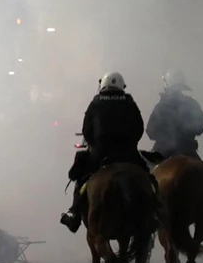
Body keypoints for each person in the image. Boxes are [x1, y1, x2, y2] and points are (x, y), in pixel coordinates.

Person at [60, 71, 148, 233]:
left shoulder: (96, 103)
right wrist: (130, 143)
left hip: (100, 154)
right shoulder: (129, 102)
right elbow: (139, 128)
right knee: (148, 177)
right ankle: (153, 212)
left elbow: (86, 131)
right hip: (128, 154)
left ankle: (74, 213)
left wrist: (95, 144)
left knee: (81, 179)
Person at [146, 69, 203, 159]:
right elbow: (200, 128)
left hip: (164, 152)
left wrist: (165, 137)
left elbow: (150, 132)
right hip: (189, 151)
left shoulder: (161, 106)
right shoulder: (192, 103)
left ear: (167, 85)